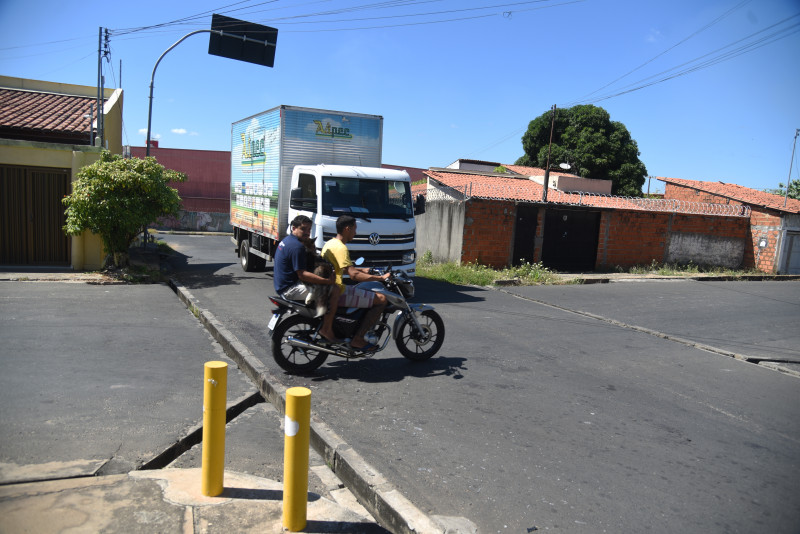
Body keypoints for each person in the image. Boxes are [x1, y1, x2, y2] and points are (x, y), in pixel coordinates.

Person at [321, 215, 391, 351]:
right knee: (381, 299)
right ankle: (359, 338)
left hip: (328, 288)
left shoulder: (330, 244)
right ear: (347, 229)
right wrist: (381, 278)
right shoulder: (341, 248)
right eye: (355, 229)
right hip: (338, 291)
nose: (356, 232)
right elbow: (354, 275)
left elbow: (343, 268)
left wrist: (362, 269)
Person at [273, 215, 341, 343]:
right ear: (294, 228)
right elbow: (302, 274)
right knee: (335, 290)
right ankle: (327, 328)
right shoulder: (297, 247)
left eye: (309, 229)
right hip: (290, 288)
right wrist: (327, 281)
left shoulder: (287, 240)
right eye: (303, 229)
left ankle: (320, 320)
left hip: (282, 285)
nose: (307, 232)